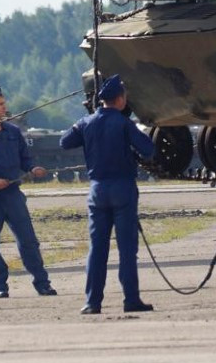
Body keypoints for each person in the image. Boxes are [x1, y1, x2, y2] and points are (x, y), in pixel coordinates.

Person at [60, 74, 156, 315]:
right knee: (126, 248)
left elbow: (65, 142)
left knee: (97, 248)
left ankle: (92, 302)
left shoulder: (86, 122)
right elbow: (148, 150)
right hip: (122, 189)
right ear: (121, 99)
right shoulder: (124, 124)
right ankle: (131, 299)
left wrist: (84, 125)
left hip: (97, 190)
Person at [0, 85, 57, 298]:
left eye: (4, 103)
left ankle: (42, 283)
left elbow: (26, 159)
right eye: (0, 104)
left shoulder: (14, 132)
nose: (5, 107)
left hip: (13, 194)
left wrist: (33, 168)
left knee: (28, 240)